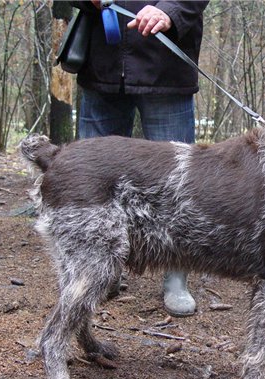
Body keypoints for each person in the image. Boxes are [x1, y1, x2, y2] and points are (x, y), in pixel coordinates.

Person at [71, 0, 209, 316]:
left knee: (177, 186)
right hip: (101, 67)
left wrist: (170, 10)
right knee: (91, 183)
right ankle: (99, 271)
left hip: (166, 70)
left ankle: (176, 275)